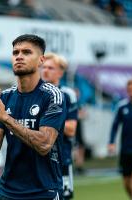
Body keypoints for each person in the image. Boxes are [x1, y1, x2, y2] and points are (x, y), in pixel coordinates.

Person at [0, 34, 66, 199]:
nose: (19, 56)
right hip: (8, 191)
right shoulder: (5, 97)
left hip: (44, 191)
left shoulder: (52, 95)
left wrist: (6, 118)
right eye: (15, 53)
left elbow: (44, 144)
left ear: (41, 60)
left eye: (27, 52)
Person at [41, 53, 78, 200]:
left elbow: (71, 129)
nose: (45, 70)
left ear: (60, 72)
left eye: (50, 67)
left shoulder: (67, 94)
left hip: (62, 159)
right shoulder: (36, 93)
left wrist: (47, 121)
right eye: (43, 67)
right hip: (40, 160)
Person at [108, 78, 132, 200]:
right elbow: (115, 126)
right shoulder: (122, 107)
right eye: (129, 90)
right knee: (127, 182)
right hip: (126, 150)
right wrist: (111, 142)